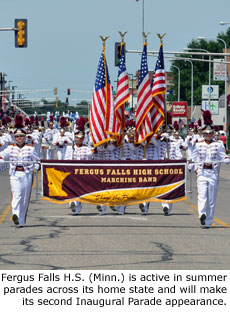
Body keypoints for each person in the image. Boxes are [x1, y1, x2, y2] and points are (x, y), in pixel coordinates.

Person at [190, 111, 230, 228]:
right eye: (206, 133)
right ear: (203, 134)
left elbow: (223, 156)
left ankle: (209, 221)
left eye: (210, 133)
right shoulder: (198, 144)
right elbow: (194, 157)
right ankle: (202, 214)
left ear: (213, 133)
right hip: (202, 172)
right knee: (202, 196)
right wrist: (192, 165)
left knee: (211, 199)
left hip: (213, 172)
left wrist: (227, 159)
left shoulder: (218, 145)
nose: (208, 135)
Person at [0, 115, 40, 227]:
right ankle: (15, 214)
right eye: (17, 136)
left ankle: (21, 221)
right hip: (14, 174)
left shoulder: (31, 149)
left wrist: (37, 166)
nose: (19, 138)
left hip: (27, 174)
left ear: (25, 136)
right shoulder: (10, 148)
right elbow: (2, 156)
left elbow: (37, 161)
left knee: (25, 197)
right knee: (16, 194)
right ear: (14, 137)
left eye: (21, 136)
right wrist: (2, 160)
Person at [69, 129, 94, 215]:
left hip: (82, 172)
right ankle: (72, 203)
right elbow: (66, 159)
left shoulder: (86, 148)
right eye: (78, 138)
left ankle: (77, 206)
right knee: (72, 189)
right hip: (72, 171)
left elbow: (91, 155)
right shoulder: (70, 148)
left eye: (81, 138)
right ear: (75, 138)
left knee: (79, 190)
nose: (80, 140)